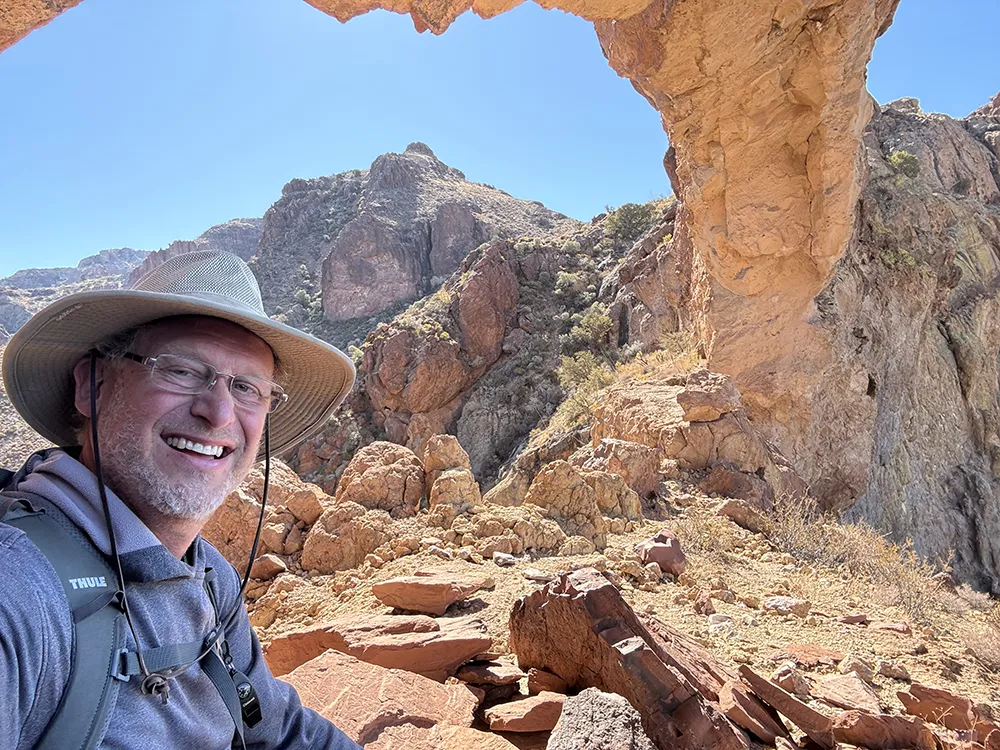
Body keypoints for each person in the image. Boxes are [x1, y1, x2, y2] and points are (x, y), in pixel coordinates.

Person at [0, 250, 363, 749]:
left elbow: (277, 729)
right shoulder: (19, 589)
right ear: (91, 385)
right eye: (182, 371)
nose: (218, 413)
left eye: (246, 388)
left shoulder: (207, 575)